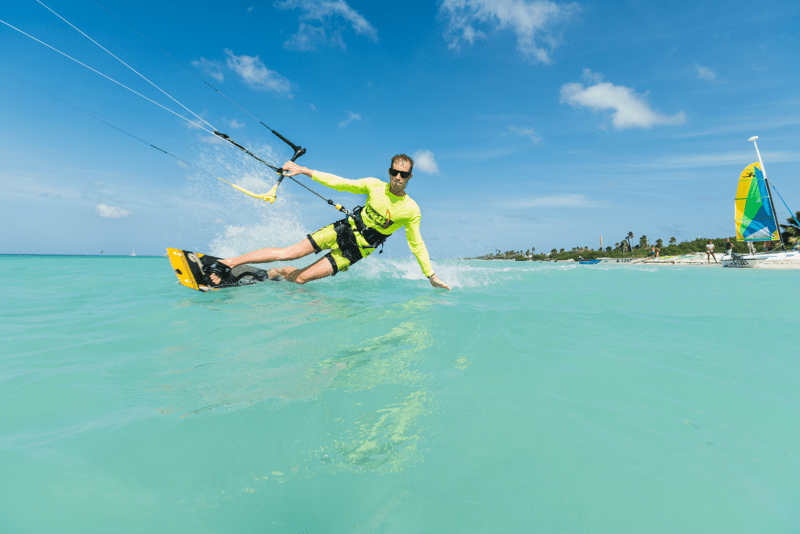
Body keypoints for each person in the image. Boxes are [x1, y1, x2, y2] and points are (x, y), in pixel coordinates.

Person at [208, 154, 451, 290]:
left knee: (301, 278)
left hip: (357, 250)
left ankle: (276, 274)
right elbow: (339, 182)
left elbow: (416, 244)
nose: (398, 177)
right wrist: (304, 170)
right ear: (389, 172)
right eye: (394, 172)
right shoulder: (373, 185)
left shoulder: (411, 210)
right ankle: (228, 262)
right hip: (342, 230)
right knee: (290, 252)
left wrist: (430, 275)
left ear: (410, 177)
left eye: (403, 174)